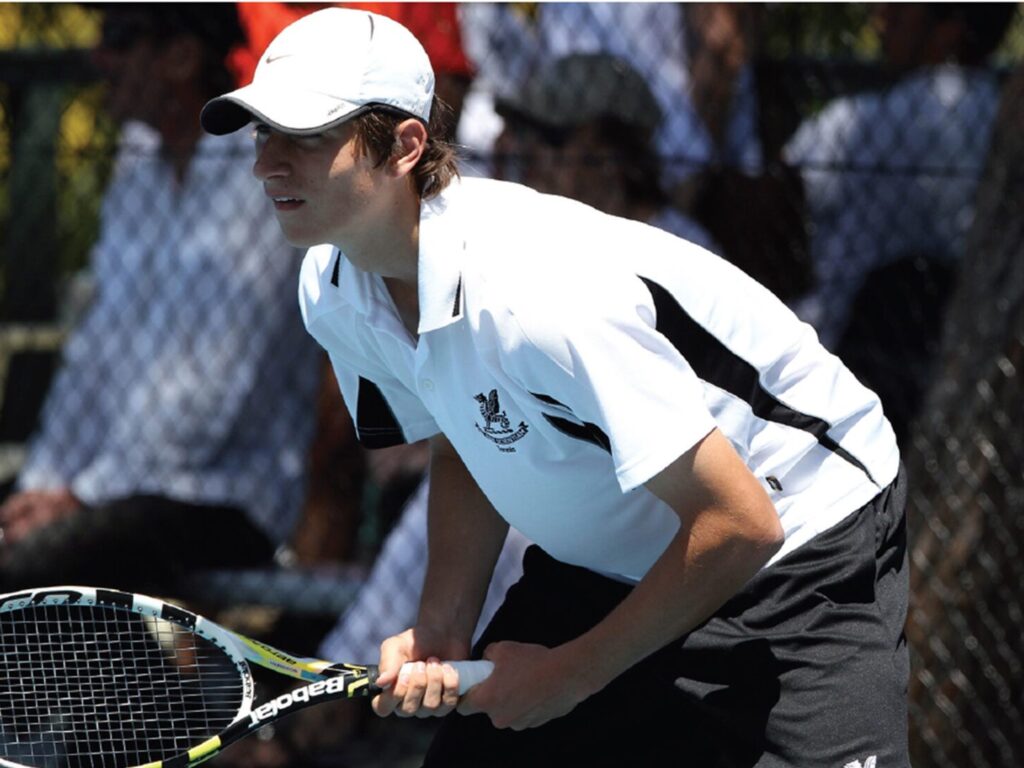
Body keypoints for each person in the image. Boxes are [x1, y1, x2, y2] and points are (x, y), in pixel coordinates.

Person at [200, 8, 908, 767]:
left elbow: (740, 523)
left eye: (305, 137)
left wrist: (571, 674)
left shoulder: (535, 301)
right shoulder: (333, 284)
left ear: (405, 146)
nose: (267, 163)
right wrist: (442, 627)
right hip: (615, 557)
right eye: (260, 134)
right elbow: (467, 439)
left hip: (798, 538)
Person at [0, 5, 322, 594]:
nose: (102, 58)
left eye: (121, 38)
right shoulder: (138, 161)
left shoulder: (259, 175)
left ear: (180, 57)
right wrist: (39, 489)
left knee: (29, 575)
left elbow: (212, 398)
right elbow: (92, 354)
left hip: (222, 497)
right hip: (113, 491)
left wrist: (80, 496)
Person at [493, 52, 716, 249]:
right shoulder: (538, 241)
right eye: (524, 132)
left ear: (610, 156)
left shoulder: (682, 255)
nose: (531, 151)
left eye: (552, 137)